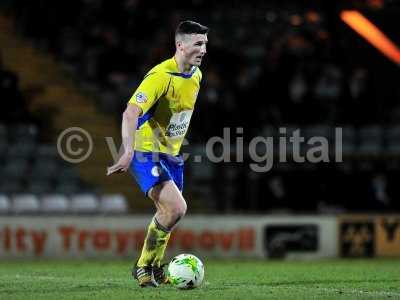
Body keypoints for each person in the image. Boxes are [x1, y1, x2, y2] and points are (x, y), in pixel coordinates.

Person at [107, 20, 208, 287]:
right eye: (198, 44)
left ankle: (154, 267)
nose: (204, 49)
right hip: (144, 152)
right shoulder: (160, 76)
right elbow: (130, 111)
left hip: (171, 156)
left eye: (205, 44)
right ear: (180, 45)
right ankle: (143, 266)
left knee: (169, 214)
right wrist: (128, 150)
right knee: (177, 207)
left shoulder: (196, 75)